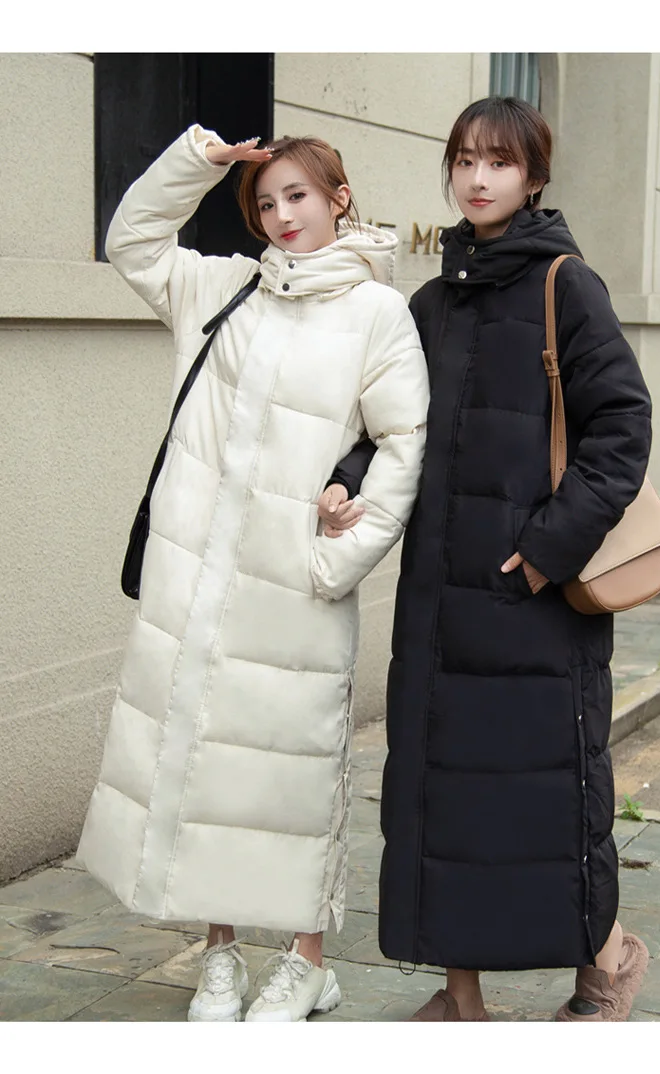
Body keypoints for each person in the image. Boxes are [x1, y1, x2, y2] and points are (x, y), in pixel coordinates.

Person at [76, 123, 429, 1023]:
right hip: (196, 583)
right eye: (266, 203)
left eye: (298, 196)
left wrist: (334, 559)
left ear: (339, 198)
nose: (281, 215)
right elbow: (132, 242)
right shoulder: (221, 289)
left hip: (295, 588)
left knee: (293, 778)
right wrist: (198, 161)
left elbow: (401, 444)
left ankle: (307, 962)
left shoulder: (377, 313)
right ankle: (221, 954)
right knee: (203, 770)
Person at [319, 96, 652, 1022]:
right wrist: (348, 478)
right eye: (464, 160)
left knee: (548, 799)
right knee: (443, 804)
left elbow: (622, 428)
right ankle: (461, 997)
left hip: (535, 602)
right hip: (438, 604)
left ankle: (607, 964)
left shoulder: (566, 286)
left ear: (533, 177)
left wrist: (547, 548)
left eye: (498, 162)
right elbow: (396, 427)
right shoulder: (432, 303)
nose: (476, 178)